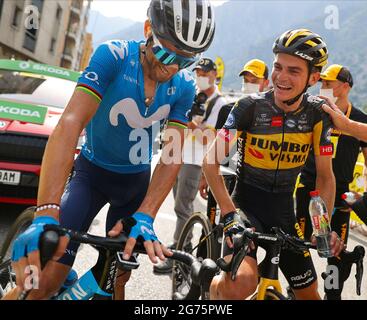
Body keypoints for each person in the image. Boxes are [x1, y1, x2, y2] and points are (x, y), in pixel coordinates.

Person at [9, 0, 215, 300]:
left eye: (185, 61)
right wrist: (46, 212)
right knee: (43, 282)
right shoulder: (114, 56)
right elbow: (69, 123)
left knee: (116, 282)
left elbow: (172, 156)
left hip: (134, 186)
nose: (171, 67)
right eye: (165, 52)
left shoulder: (183, 86)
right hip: (90, 176)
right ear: (148, 31)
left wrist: (146, 214)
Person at [202, 29, 344, 300]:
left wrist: (322, 227)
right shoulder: (249, 107)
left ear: (313, 78)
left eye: (294, 70)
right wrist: (230, 215)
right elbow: (210, 161)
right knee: (240, 286)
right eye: (278, 67)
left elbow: (325, 177)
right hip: (244, 208)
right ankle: (210, 286)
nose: (281, 77)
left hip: (283, 214)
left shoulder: (317, 115)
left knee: (309, 295)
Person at [296, 64, 367, 299]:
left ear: (345, 87)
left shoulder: (359, 120)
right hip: (309, 189)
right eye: (321, 83)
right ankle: (298, 289)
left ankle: (332, 293)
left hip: (341, 196)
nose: (322, 87)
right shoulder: (314, 114)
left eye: (328, 83)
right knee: (300, 246)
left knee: (336, 254)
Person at [153, 57, 227, 274]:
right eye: (199, 73)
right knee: (179, 204)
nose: (201, 77)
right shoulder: (195, 94)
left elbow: (209, 138)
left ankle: (178, 254)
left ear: (214, 75)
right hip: (180, 153)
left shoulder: (219, 104)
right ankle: (184, 245)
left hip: (195, 161)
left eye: (205, 73)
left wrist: (190, 122)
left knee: (182, 206)